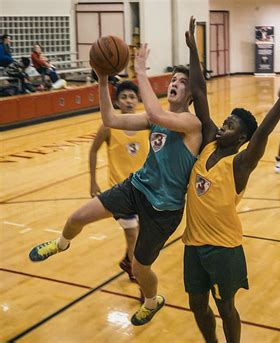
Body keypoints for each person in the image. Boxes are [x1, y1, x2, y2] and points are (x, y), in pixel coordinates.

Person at [29, 44, 202, 326]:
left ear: (192, 94)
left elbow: (159, 115)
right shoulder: (153, 119)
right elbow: (109, 119)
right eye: (173, 80)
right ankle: (61, 244)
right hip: (136, 187)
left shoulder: (190, 123)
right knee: (77, 217)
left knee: (139, 266)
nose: (175, 85)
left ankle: (151, 301)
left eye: (182, 83)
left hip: (164, 209)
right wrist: (101, 79)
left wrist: (141, 71)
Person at [184, 16, 280, 343]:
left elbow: (264, 133)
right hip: (193, 244)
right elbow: (198, 91)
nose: (224, 125)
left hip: (224, 247)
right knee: (197, 304)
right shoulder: (210, 141)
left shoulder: (241, 163)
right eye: (225, 121)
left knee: (226, 307)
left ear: (241, 139)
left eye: (231, 126)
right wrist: (193, 49)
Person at [88, 80, 150, 282]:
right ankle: (138, 277)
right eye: (124, 97)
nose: (129, 100)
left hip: (143, 188)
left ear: (138, 100)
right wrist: (93, 182)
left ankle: (127, 260)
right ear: (117, 102)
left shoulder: (146, 125)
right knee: (133, 235)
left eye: (132, 96)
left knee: (139, 234)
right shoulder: (108, 127)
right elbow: (93, 151)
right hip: (120, 191)